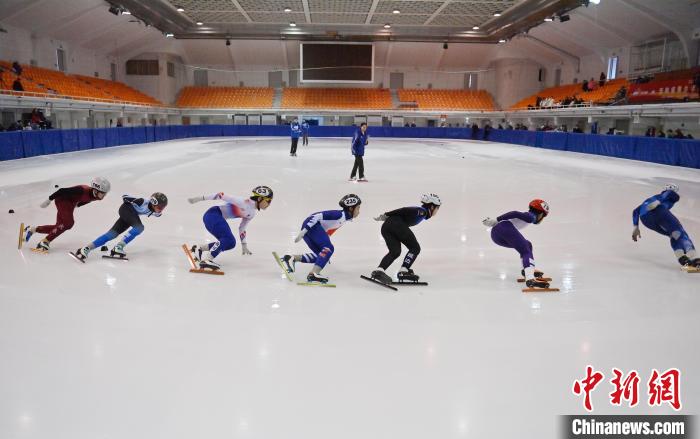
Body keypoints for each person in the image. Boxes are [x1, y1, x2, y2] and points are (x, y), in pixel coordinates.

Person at [187, 186, 273, 270]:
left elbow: (242, 228)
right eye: (268, 201)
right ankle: (207, 260)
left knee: (231, 243)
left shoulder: (252, 213)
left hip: (215, 218)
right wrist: (198, 199)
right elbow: (220, 195)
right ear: (259, 199)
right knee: (228, 239)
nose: (269, 204)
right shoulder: (243, 202)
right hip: (213, 214)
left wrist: (244, 244)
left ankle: (199, 248)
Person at [281, 194, 361, 284]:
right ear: (351, 208)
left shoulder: (344, 219)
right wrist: (305, 229)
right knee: (329, 248)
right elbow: (316, 216)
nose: (359, 211)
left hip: (312, 228)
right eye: (358, 208)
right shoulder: (339, 214)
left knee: (321, 256)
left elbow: (328, 229)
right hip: (312, 226)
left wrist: (326, 253)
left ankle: (291, 258)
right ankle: (313, 274)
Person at [72, 192, 168, 262]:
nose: (160, 210)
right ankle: (119, 247)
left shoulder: (156, 213)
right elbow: (125, 196)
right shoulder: (142, 201)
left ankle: (86, 249)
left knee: (112, 234)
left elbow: (158, 213)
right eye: (160, 207)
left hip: (130, 215)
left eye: (163, 207)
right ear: (153, 202)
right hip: (126, 209)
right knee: (139, 227)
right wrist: (129, 200)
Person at [22, 177, 110, 252]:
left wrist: (78, 205)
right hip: (62, 199)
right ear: (96, 189)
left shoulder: (97, 196)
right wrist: (49, 199)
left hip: (71, 203)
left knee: (59, 226)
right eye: (103, 193)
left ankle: (33, 229)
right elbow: (61, 191)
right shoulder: (82, 190)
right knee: (68, 223)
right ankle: (45, 241)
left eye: (105, 193)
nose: (104, 196)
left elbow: (88, 200)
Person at [370, 194, 441, 285]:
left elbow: (404, 212)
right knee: (415, 248)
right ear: (432, 206)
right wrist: (387, 214)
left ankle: (379, 271)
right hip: (397, 225)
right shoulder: (422, 211)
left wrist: (387, 216)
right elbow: (404, 210)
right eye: (437, 208)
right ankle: (403, 270)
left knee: (395, 252)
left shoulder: (422, 213)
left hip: (386, 227)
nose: (437, 211)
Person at [482, 199, 551, 289]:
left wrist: (496, 222)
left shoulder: (527, 215)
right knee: (526, 249)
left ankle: (526, 270)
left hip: (496, 237)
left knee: (527, 244)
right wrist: (496, 219)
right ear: (541, 213)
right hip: (504, 228)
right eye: (543, 216)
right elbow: (514, 213)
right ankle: (530, 279)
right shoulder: (530, 217)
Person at [632, 184, 698, 268]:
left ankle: (682, 258)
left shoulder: (650, 199)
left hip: (645, 219)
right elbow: (669, 193)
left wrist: (635, 227)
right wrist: (658, 202)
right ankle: (695, 258)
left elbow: (635, 211)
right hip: (658, 210)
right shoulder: (670, 195)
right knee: (679, 232)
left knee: (673, 235)